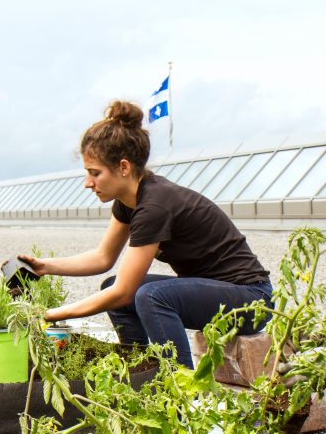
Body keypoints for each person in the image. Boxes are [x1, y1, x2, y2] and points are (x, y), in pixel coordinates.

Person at [18, 100, 272, 368]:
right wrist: (45, 266)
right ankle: (138, 370)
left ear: (124, 167)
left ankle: (179, 387)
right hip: (220, 295)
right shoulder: (129, 202)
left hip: (251, 300)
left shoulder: (155, 204)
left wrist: (50, 314)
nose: (87, 183)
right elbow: (103, 257)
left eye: (95, 173)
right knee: (112, 286)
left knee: (149, 296)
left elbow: (125, 292)